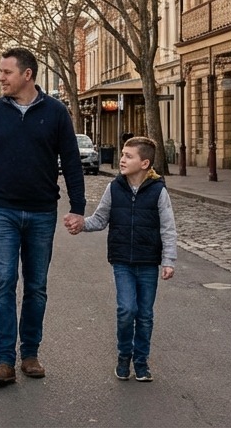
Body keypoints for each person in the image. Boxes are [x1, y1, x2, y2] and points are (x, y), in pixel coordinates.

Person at [0, 47, 86, 385]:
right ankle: (4, 361)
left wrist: (78, 208)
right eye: (1, 72)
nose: (1, 77)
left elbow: (71, 162)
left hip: (43, 211)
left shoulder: (56, 113)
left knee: (36, 286)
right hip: (2, 210)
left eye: (6, 72)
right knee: (3, 282)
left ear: (27, 75)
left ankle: (30, 353)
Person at [66, 137, 178, 382]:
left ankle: (141, 362)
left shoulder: (158, 191)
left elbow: (168, 228)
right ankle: (124, 356)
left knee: (145, 314)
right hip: (122, 262)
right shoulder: (114, 188)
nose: (122, 159)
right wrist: (81, 224)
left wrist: (168, 260)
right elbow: (100, 218)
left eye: (129, 156)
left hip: (148, 261)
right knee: (127, 309)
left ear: (145, 163)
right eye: (123, 154)